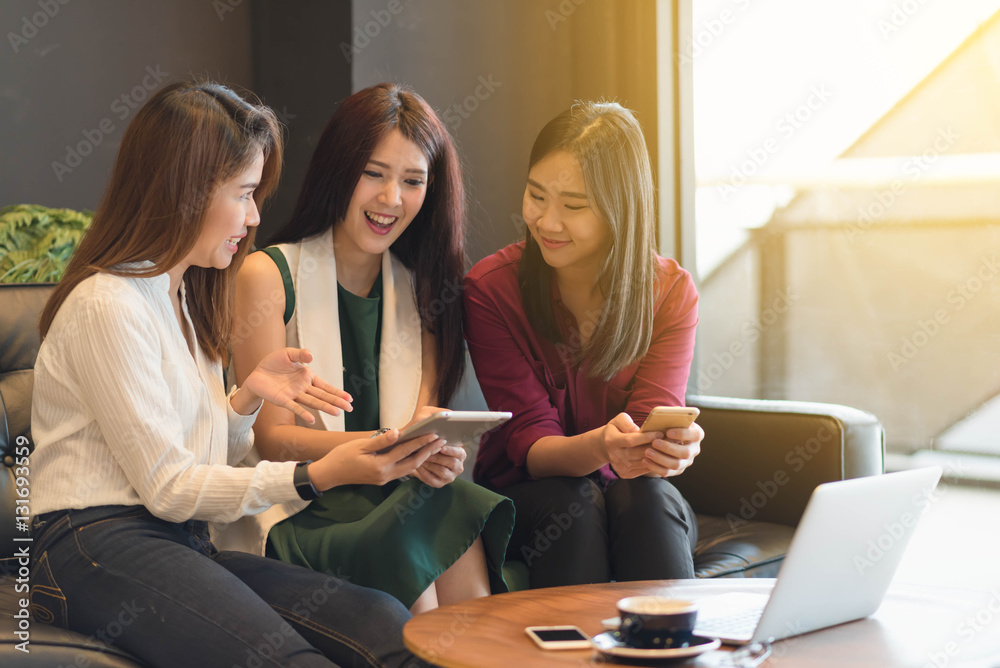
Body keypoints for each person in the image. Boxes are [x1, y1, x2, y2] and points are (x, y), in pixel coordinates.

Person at [29, 80, 436, 667]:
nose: (252, 218)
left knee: (383, 622)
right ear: (185, 191)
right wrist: (313, 476)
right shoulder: (107, 305)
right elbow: (169, 487)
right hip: (91, 547)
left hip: (182, 539)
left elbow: (200, 468)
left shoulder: (188, 303)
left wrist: (243, 402)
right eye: (244, 193)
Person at [230, 82, 514, 613]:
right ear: (340, 169)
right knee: (414, 535)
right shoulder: (268, 275)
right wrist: (388, 448)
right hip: (299, 505)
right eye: (374, 174)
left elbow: (423, 420)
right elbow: (270, 439)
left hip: (396, 496)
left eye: (412, 181)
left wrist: (432, 454)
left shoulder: (423, 288)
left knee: (447, 503)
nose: (391, 200)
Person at [463, 101, 705, 588]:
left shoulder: (669, 293)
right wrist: (603, 448)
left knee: (648, 498)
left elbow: (649, 427)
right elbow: (531, 446)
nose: (547, 222)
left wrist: (668, 449)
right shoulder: (492, 289)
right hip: (531, 497)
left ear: (620, 209)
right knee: (573, 502)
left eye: (574, 206)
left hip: (635, 499)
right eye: (536, 196)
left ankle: (669, 653)